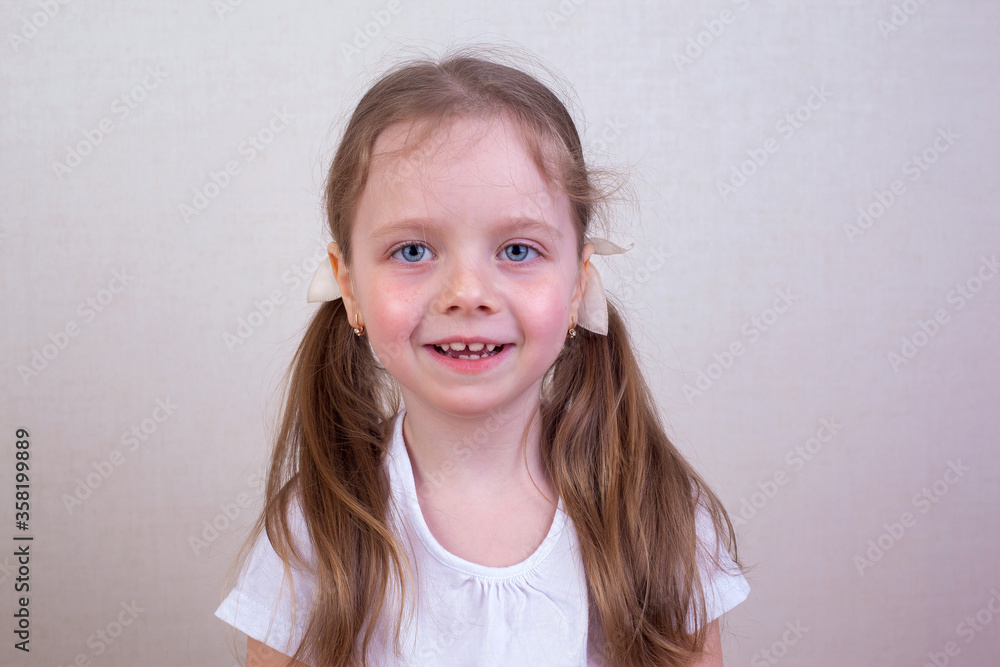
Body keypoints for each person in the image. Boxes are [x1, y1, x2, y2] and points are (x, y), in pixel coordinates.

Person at [215, 47, 751, 667]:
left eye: (518, 251)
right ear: (349, 285)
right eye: (413, 251)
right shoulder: (315, 533)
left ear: (578, 284)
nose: (467, 293)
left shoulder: (654, 515)